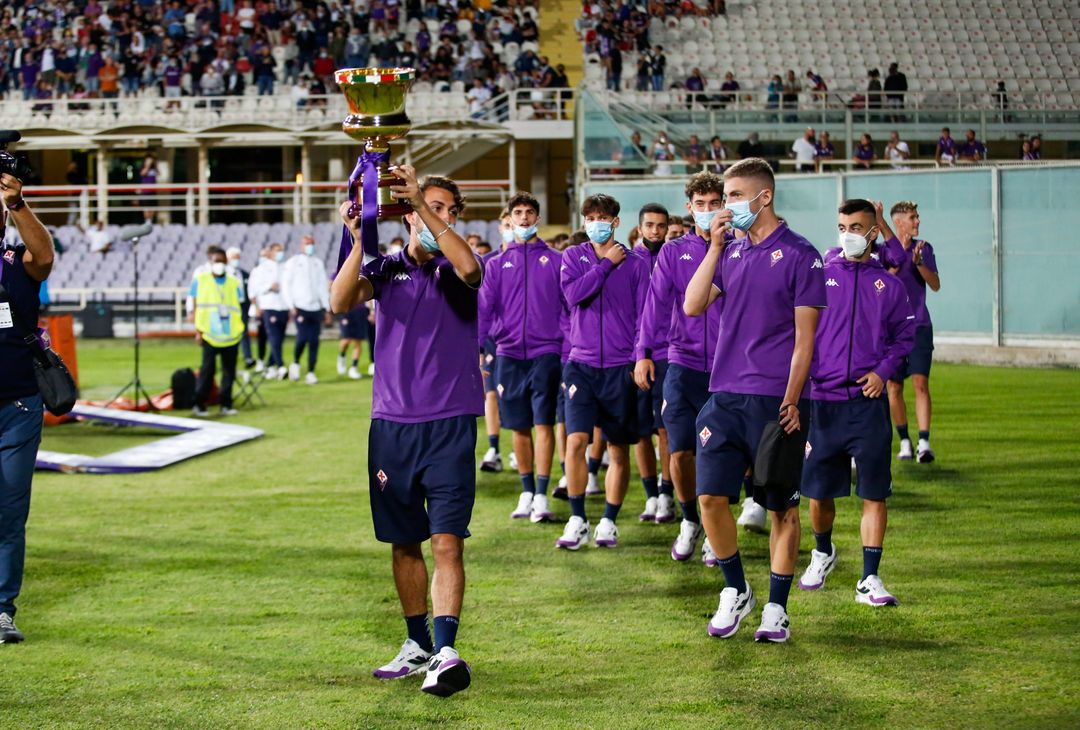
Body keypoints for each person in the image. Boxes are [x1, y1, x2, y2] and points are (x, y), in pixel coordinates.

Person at [329, 166, 481, 698]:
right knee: (402, 542)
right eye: (424, 207)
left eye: (443, 208)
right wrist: (354, 240)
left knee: (446, 541)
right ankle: (418, 644)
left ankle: (446, 649)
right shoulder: (387, 269)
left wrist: (419, 199)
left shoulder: (461, 265)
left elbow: (470, 270)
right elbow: (339, 301)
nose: (431, 215)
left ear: (454, 215)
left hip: (449, 425)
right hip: (392, 427)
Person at [683, 157, 826, 643]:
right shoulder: (731, 253)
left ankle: (777, 609)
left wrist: (791, 399)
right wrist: (716, 245)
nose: (727, 206)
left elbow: (805, 341)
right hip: (724, 396)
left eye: (735, 196)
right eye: (725, 198)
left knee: (782, 508)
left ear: (764, 197)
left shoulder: (804, 255)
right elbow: (693, 303)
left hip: (777, 401)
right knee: (709, 498)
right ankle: (736, 589)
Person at [798, 198, 915, 607]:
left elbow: (904, 338)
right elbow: (799, 334)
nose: (848, 233)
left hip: (867, 404)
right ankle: (822, 551)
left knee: (873, 493)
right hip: (823, 402)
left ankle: (869, 578)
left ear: (872, 232)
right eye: (842, 225)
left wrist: (883, 372)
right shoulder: (820, 277)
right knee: (819, 494)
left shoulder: (890, 285)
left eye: (857, 227)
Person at [635, 175, 726, 563]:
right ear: (689, 208)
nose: (707, 210)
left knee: (721, 453)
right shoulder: (674, 252)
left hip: (728, 368)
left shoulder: (740, 250)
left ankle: (716, 526)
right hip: (682, 363)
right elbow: (654, 305)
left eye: (714, 202)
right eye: (700, 203)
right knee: (680, 451)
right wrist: (642, 352)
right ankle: (690, 519)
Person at [557, 193, 650, 550]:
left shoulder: (638, 264)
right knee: (576, 440)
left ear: (615, 222)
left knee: (618, 448)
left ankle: (609, 520)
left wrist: (640, 356)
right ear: (584, 222)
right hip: (580, 364)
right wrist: (604, 265)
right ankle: (577, 517)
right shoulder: (573, 256)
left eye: (603, 217)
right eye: (590, 217)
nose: (596, 223)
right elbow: (573, 296)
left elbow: (645, 315)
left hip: (619, 366)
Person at [478, 192, 564, 524]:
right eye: (518, 213)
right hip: (509, 354)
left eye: (530, 212)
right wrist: (479, 349)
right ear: (510, 219)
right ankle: (526, 491)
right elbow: (483, 311)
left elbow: (569, 308)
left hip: (546, 353)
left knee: (544, 423)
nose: (525, 218)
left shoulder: (557, 260)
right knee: (519, 427)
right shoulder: (496, 264)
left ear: (537, 218)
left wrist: (564, 345)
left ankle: (542, 494)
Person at [0, 169, 55, 644]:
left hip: (18, 402)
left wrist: (18, 204)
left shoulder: (16, 260)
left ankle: (1, 609)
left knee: (10, 512)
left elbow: (45, 256)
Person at [878, 202, 941, 463]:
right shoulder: (883, 252)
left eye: (917, 216)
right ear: (899, 222)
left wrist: (919, 264)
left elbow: (935, 284)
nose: (917, 221)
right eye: (913, 217)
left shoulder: (923, 248)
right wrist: (893, 270)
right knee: (894, 387)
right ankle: (904, 441)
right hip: (892, 331)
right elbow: (878, 288)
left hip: (919, 327)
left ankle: (924, 443)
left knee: (920, 384)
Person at [631, 203, 675, 524]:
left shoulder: (674, 259)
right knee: (640, 431)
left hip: (667, 354)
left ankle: (666, 493)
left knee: (665, 429)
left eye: (661, 226)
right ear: (640, 227)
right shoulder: (628, 261)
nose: (655, 231)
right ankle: (649, 495)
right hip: (634, 357)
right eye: (650, 225)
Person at [189, 247, 244, 416]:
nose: (219, 264)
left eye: (222, 261)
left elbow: (239, 304)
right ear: (210, 262)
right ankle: (199, 404)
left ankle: (226, 404)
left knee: (229, 372)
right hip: (209, 334)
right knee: (207, 371)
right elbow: (195, 305)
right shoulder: (200, 280)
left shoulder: (234, 282)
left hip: (231, 335)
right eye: (216, 261)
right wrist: (198, 331)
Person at [479, 210, 511, 473]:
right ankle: (494, 448)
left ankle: (516, 451)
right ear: (500, 227)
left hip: (520, 342)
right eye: (507, 223)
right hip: (492, 340)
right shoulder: (487, 262)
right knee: (490, 392)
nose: (513, 227)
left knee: (516, 398)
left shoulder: (537, 260)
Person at [282, 234, 331, 384]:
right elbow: (286, 285)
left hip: (315, 307)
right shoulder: (293, 262)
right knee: (303, 338)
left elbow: (322, 286)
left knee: (314, 340)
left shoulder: (318, 263)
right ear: (301, 245)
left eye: (312, 243)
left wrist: (326, 308)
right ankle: (296, 363)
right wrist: (291, 305)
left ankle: (310, 371)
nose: (310, 246)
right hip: (300, 306)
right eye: (307, 243)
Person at [249, 242, 288, 379]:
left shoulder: (284, 267)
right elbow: (254, 289)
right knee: (272, 337)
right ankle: (280, 365)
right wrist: (268, 287)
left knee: (280, 338)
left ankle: (270, 365)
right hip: (268, 306)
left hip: (283, 306)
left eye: (281, 250)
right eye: (277, 250)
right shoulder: (261, 269)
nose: (279, 253)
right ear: (271, 252)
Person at [225, 247, 255, 369]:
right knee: (229, 333)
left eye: (237, 257)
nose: (236, 260)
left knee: (243, 331)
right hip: (229, 306)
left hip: (242, 306)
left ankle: (248, 357)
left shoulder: (244, 274)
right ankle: (228, 358)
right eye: (234, 257)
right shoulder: (224, 275)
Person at [336, 301, 368, 380]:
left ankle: (354, 367)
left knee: (358, 341)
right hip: (346, 310)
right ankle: (342, 356)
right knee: (346, 340)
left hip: (360, 311)